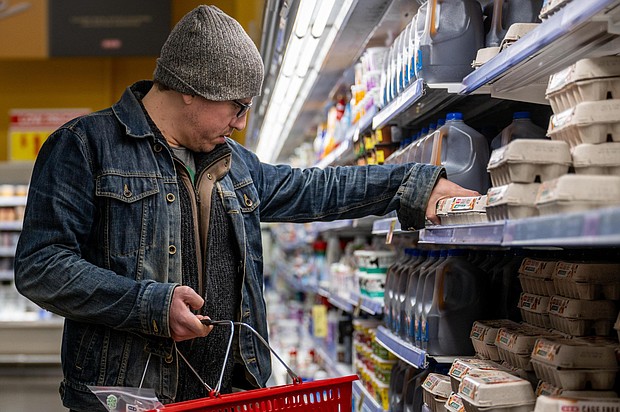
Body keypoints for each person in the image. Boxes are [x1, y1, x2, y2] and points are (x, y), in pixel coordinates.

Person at [14, 4, 478, 411]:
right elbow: (41, 267)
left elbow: (316, 188)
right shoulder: (83, 147)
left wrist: (413, 184)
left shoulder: (233, 166)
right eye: (235, 107)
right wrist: (150, 304)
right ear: (189, 88)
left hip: (230, 393)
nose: (239, 124)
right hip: (132, 397)